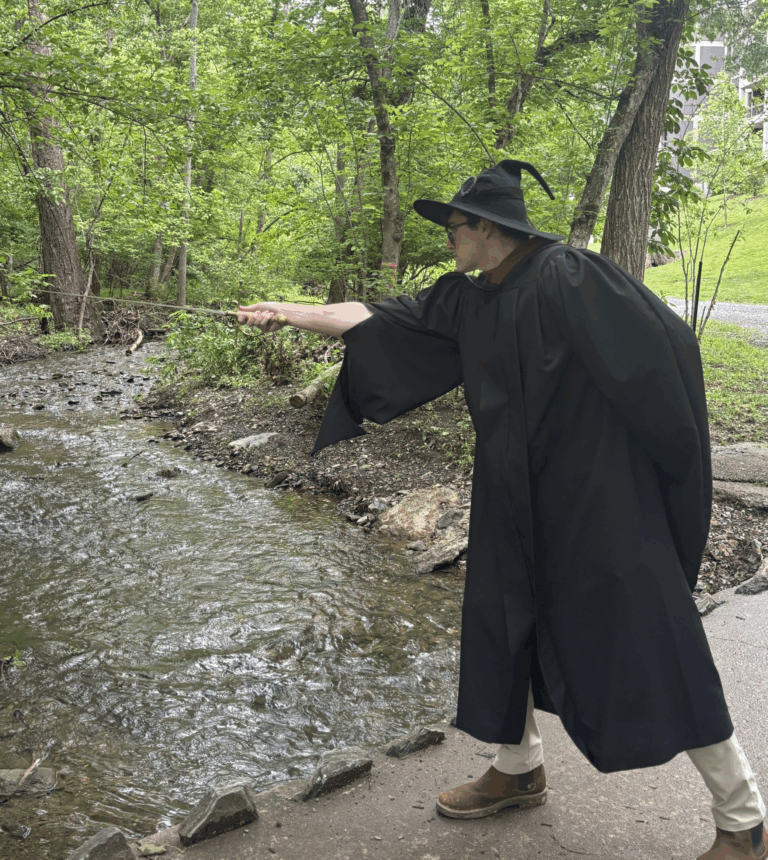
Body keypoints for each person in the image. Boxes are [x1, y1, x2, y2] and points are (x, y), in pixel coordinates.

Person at [237, 159, 766, 860]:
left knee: (654, 636)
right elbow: (377, 319)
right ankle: (519, 771)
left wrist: (658, 467)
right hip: (511, 493)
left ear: (488, 229)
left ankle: (743, 819)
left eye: (454, 228)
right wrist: (288, 312)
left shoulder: (570, 276)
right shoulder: (467, 297)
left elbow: (663, 352)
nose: (447, 240)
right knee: (503, 623)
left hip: (599, 500)